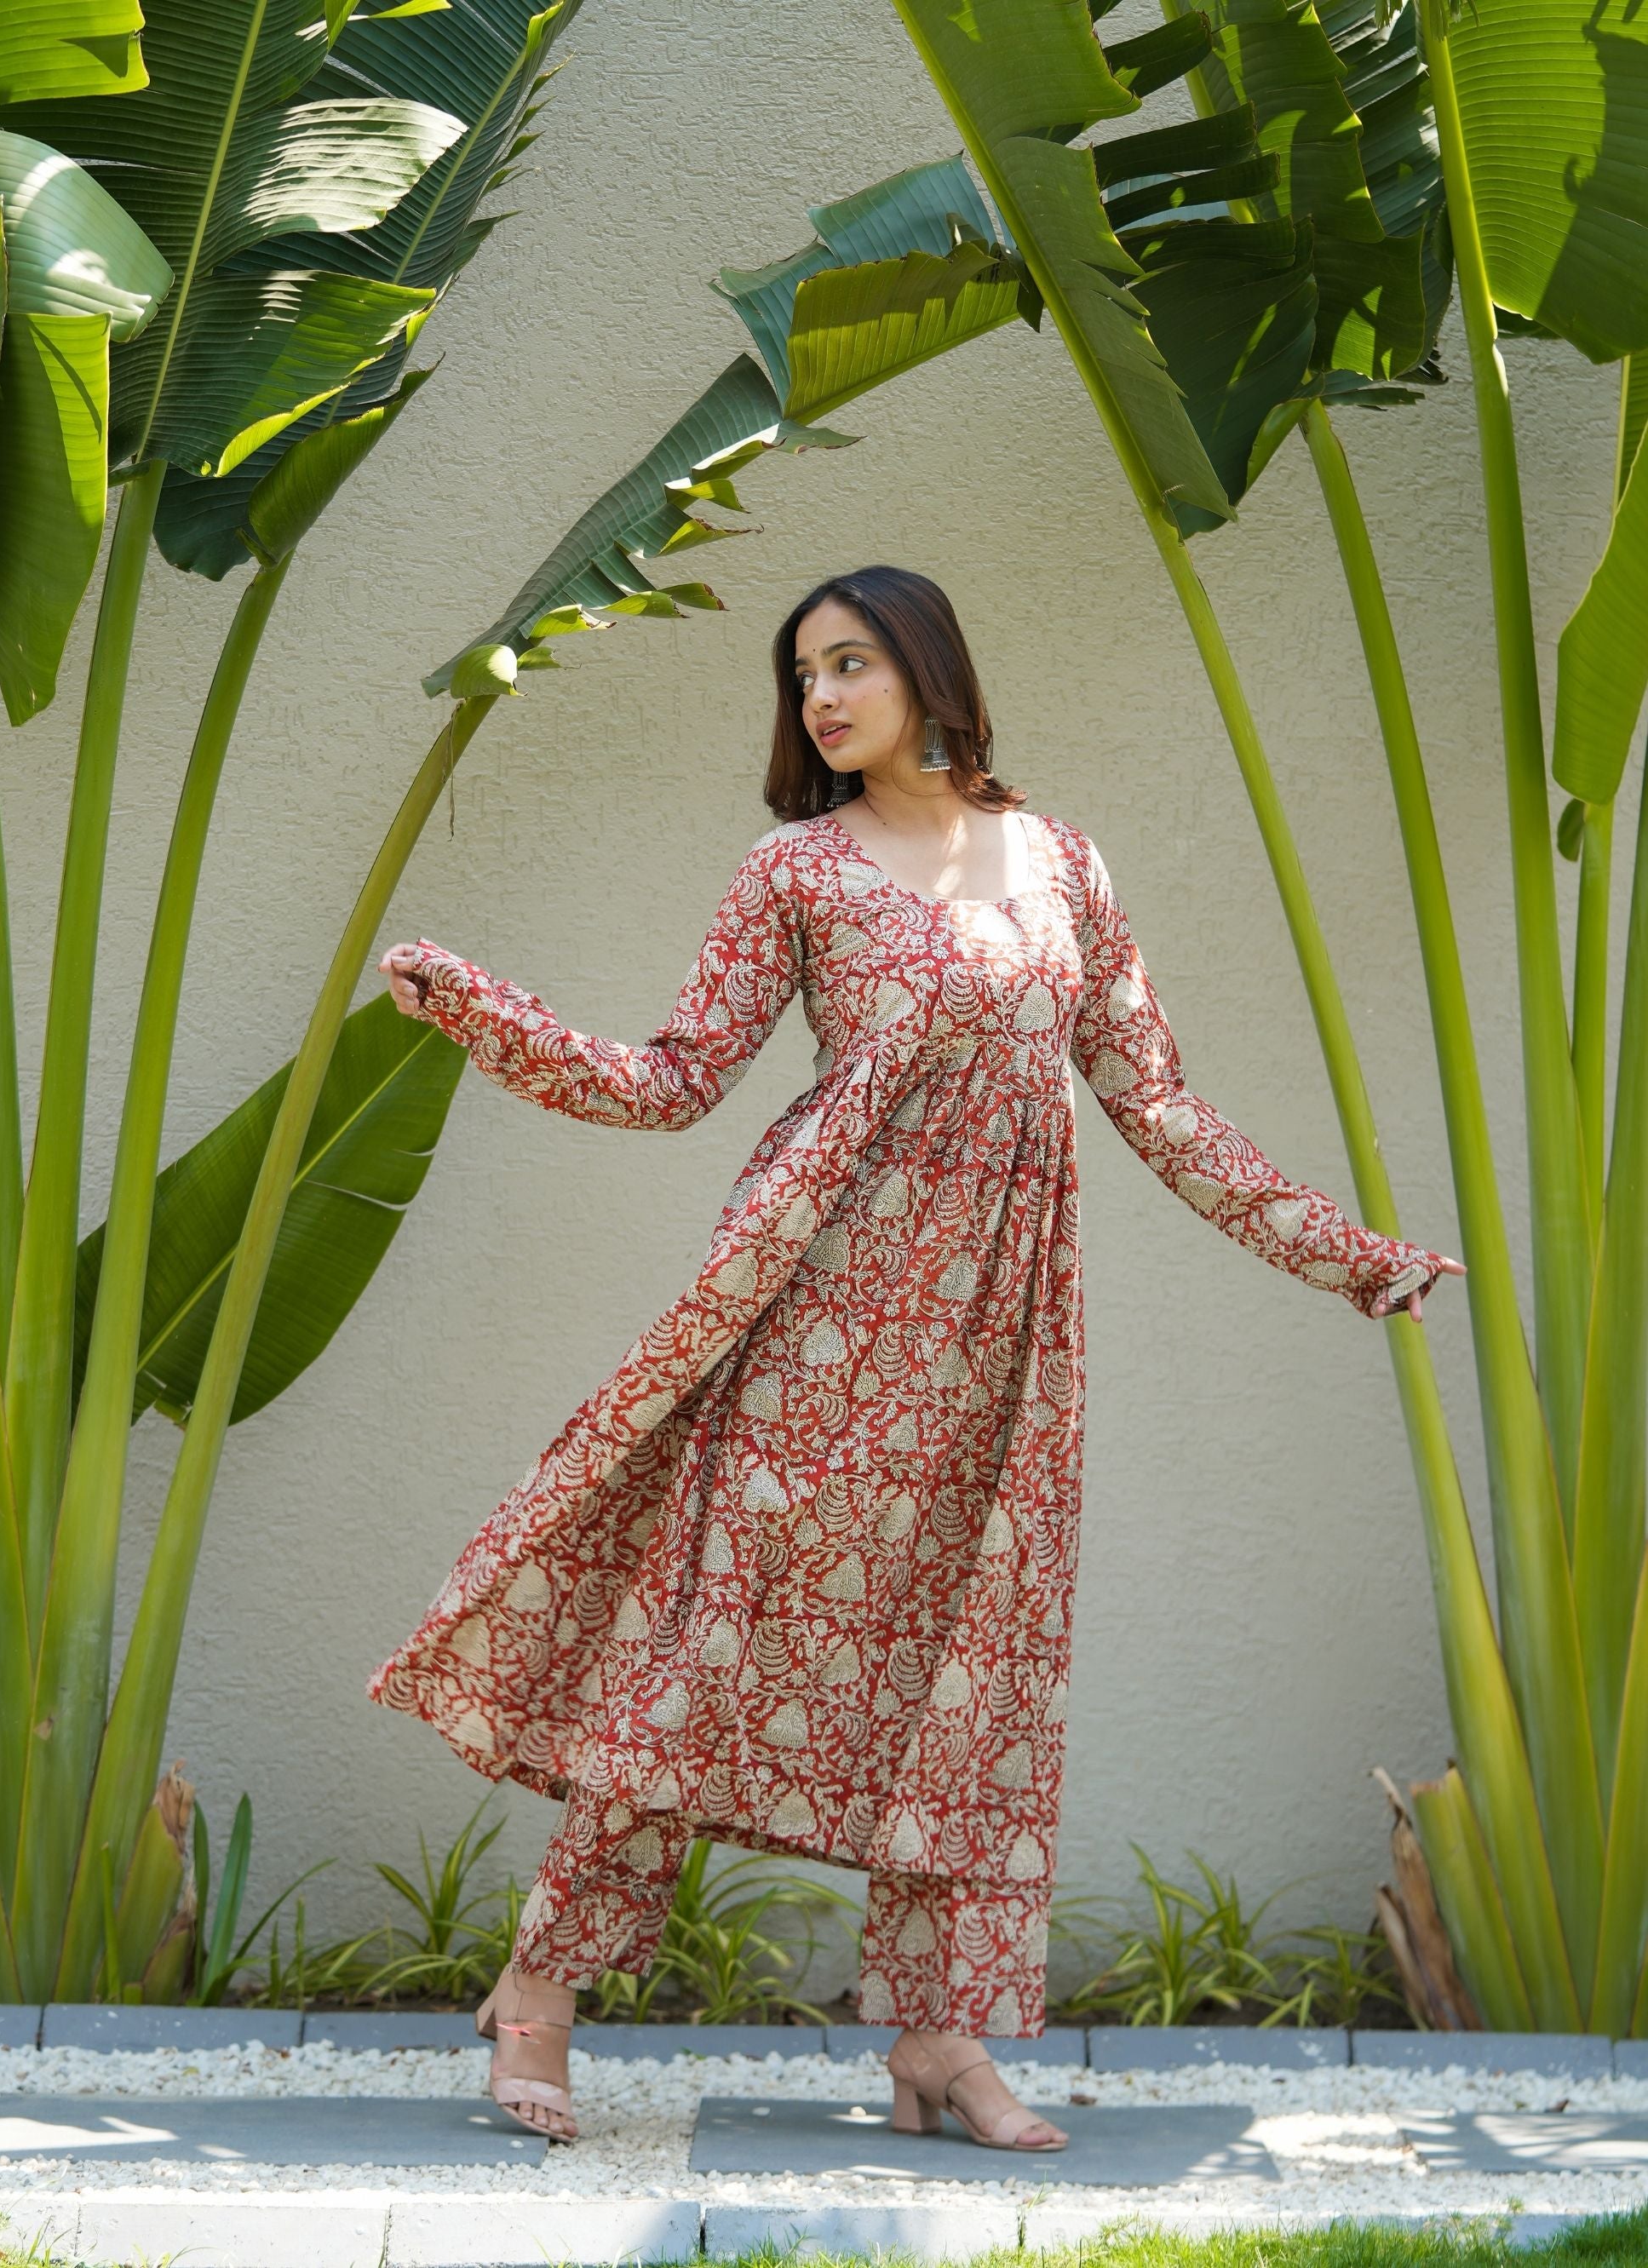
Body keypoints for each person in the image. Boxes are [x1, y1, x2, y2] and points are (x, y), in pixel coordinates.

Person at [372, 565, 1461, 2153]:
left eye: (850, 662)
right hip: (812, 1321)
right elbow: (676, 1081)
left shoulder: (1067, 865)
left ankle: (939, 2049)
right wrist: (482, 1011)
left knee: (976, 1691)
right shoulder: (795, 870)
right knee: (703, 1661)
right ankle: (538, 1999)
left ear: (928, 668)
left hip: (998, 1352)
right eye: (802, 674)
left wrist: (1344, 1254)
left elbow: (1152, 1099)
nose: (820, 697)